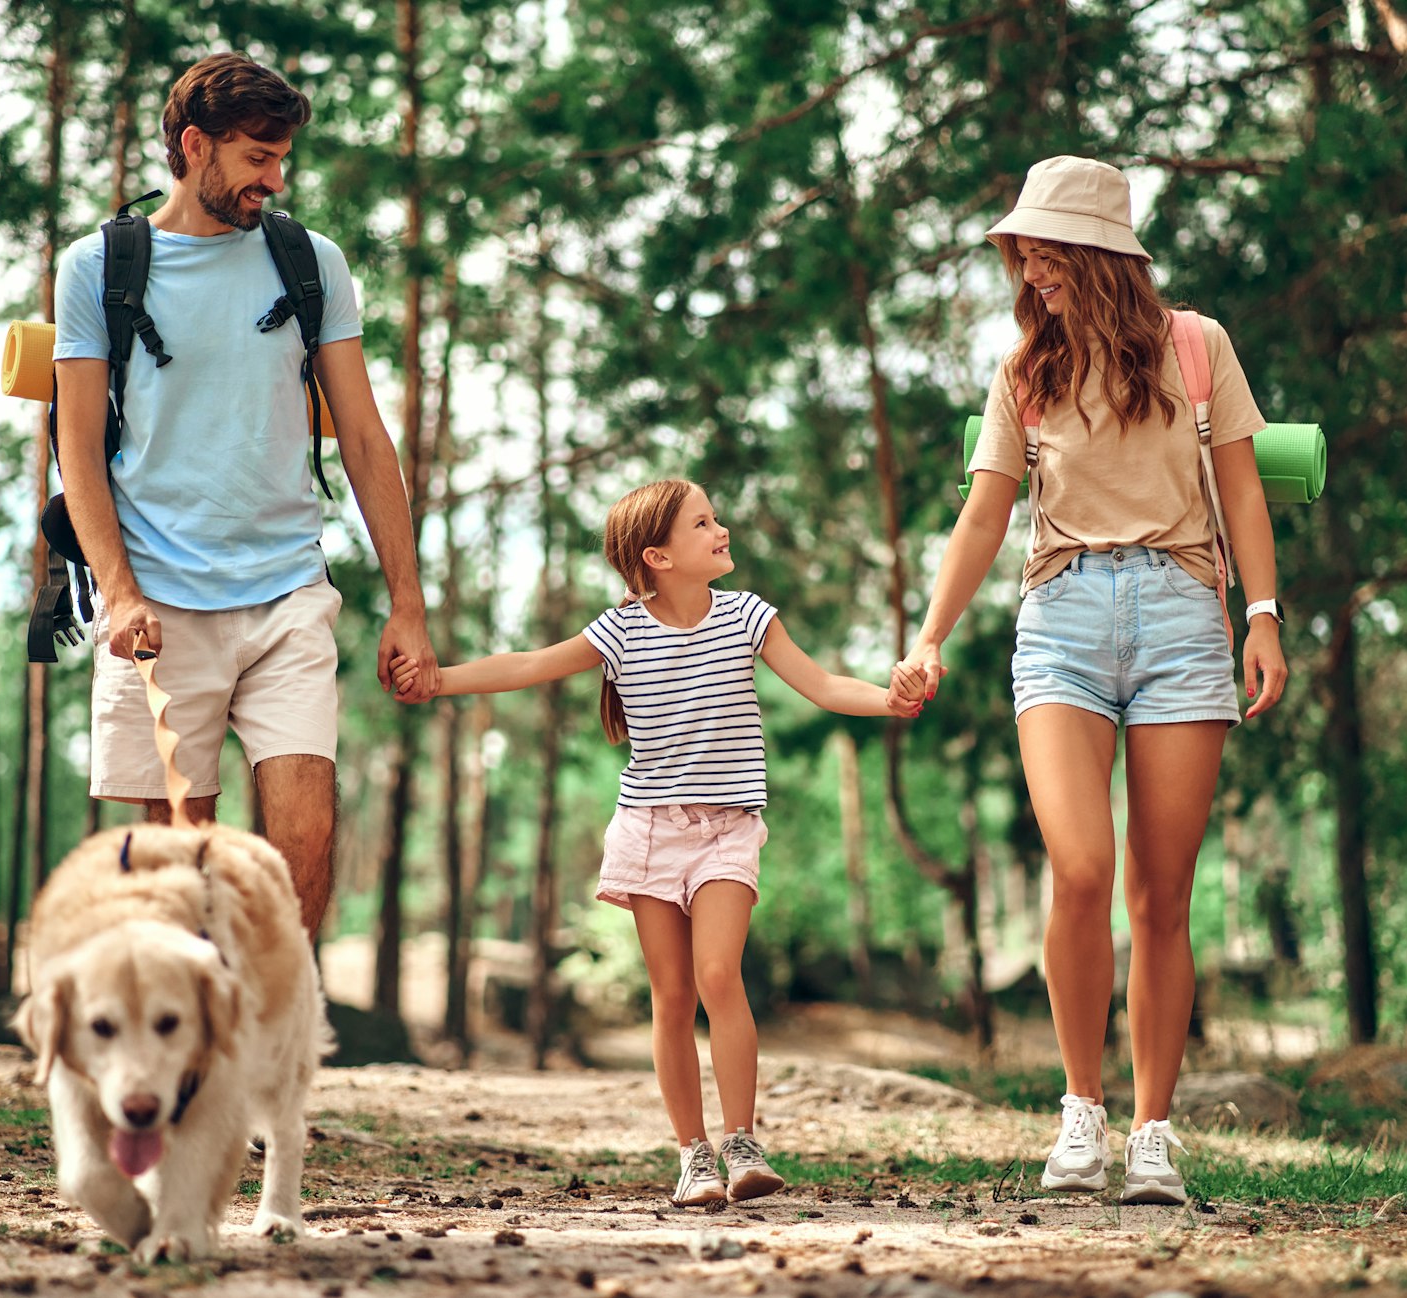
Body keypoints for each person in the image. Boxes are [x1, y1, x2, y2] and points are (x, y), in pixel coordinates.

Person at [894, 156, 1288, 1206]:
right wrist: (930, 633)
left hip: (1178, 619)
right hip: (1061, 619)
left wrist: (1261, 613)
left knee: (1159, 895)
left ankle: (1152, 1131)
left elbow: (1241, 491)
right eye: (1018, 247)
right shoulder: (1025, 369)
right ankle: (1080, 1111)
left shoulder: (1195, 348)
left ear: (1099, 251)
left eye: (1041, 245)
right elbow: (984, 512)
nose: (1025, 262)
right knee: (1078, 864)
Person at [392, 479, 925, 1206]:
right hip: (649, 830)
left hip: (727, 828)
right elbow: (525, 665)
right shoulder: (618, 632)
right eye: (703, 523)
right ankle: (693, 1155)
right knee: (672, 997)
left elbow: (824, 684)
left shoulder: (747, 617)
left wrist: (888, 700)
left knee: (717, 976)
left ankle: (741, 1143)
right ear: (659, 556)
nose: (722, 529)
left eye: (716, 517)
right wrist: (438, 682)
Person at [52, 53, 439, 934]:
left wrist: (408, 606)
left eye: (282, 158)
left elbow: (368, 440)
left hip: (286, 590)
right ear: (196, 147)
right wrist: (116, 592)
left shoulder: (312, 264)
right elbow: (76, 448)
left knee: (302, 839)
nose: (276, 177)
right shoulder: (98, 269)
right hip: (157, 602)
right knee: (180, 869)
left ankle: (277, 1035)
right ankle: (202, 1054)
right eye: (259, 157)